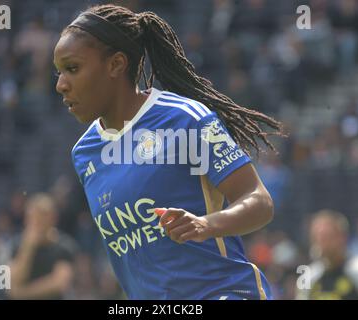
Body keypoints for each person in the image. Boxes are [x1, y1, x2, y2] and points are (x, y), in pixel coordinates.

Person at [53, 4, 284, 300]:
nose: (61, 84)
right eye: (58, 72)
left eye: (72, 69)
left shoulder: (183, 119)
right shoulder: (85, 152)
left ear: (116, 65)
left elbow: (259, 200)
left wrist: (205, 224)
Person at [7, 193, 77, 299]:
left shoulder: (64, 246)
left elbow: (59, 284)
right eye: (33, 217)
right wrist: (28, 247)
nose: (37, 222)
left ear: (53, 218)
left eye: (42, 217)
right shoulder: (17, 245)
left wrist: (22, 293)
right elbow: (12, 283)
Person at [297, 210, 358, 300]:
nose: (322, 243)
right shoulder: (308, 277)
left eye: (327, 236)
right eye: (317, 237)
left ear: (343, 237)